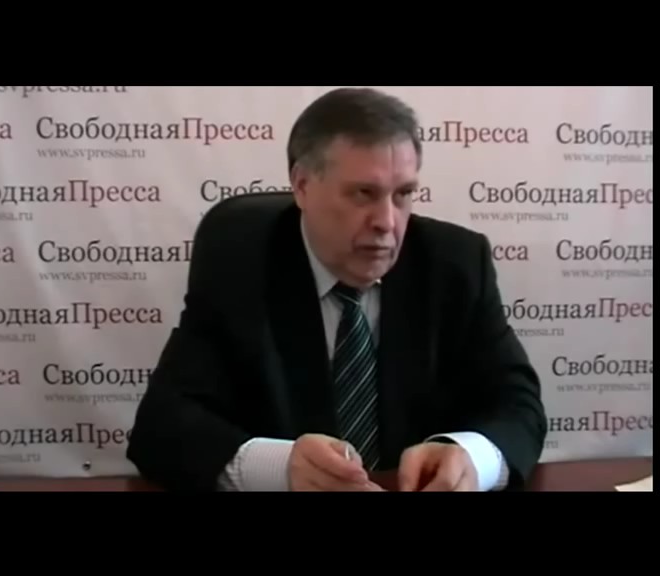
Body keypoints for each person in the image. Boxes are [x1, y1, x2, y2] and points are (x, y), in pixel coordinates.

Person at [126, 87, 547, 492]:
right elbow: (162, 427)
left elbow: (518, 404)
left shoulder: (456, 263)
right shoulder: (239, 261)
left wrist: (471, 458)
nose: (387, 222)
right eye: (364, 193)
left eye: (403, 194)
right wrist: (282, 468)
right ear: (302, 185)